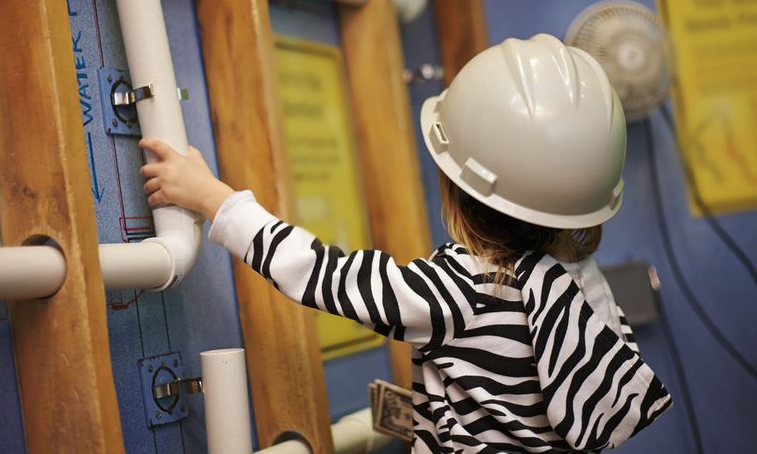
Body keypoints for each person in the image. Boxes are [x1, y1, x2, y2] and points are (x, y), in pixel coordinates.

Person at [139, 34, 671, 453]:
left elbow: (326, 278)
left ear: (456, 189)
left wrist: (216, 200)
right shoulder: (585, 286)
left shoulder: (459, 290)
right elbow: (520, 406)